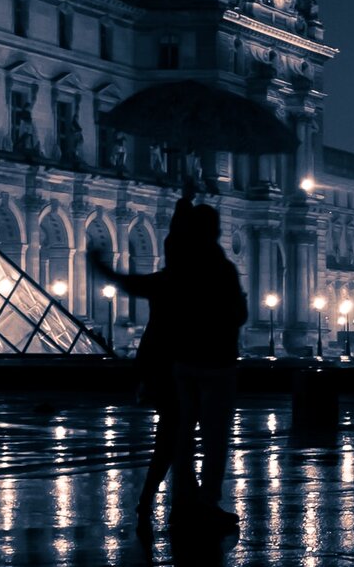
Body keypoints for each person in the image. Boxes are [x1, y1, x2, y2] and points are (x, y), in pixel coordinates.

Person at [88, 196, 247, 533]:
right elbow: (238, 314)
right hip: (217, 364)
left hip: (183, 365)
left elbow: (134, 283)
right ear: (215, 232)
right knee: (215, 439)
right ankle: (206, 503)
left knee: (181, 436)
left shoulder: (178, 272)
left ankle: (181, 501)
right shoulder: (221, 268)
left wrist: (101, 267)